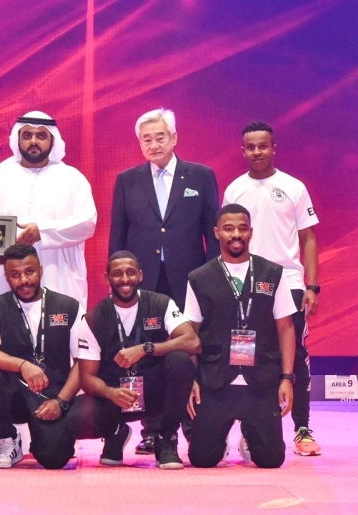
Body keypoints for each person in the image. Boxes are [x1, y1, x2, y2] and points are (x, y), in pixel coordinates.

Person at [108, 107, 218, 454]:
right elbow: (118, 237)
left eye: (160, 137)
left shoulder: (200, 176)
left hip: (189, 280)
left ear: (174, 138)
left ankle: (194, 423)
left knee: (192, 350)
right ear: (139, 144)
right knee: (147, 352)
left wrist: (213, 280)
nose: (154, 145)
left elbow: (212, 233)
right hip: (144, 284)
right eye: (146, 140)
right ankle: (152, 428)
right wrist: (118, 283)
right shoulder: (127, 180)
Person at [223, 121, 321, 457]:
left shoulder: (294, 187)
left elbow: (308, 238)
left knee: (296, 356)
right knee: (247, 356)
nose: (257, 152)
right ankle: (250, 431)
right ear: (243, 150)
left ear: (274, 148)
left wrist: (311, 286)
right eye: (250, 147)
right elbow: (228, 239)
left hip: (288, 283)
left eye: (263, 146)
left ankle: (302, 429)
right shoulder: (234, 190)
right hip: (246, 284)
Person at [185, 204, 296, 469]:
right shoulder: (199, 278)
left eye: (242, 228)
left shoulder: (272, 273)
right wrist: (192, 379)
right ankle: (220, 439)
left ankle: (250, 434)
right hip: (216, 381)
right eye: (229, 229)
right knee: (202, 459)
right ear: (217, 233)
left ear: (251, 232)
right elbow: (191, 333)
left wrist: (287, 379)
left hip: (261, 380)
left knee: (271, 460)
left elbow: (286, 328)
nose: (236, 234)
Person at [0, 244, 93, 469]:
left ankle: (43, 440)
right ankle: (7, 439)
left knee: (54, 459)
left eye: (29, 272)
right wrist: (23, 365)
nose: (24, 280)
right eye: (15, 275)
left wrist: (61, 401)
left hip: (51, 396)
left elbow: (82, 361)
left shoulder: (69, 307)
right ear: (6, 277)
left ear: (41, 270)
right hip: (13, 395)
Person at [76, 251, 199, 469]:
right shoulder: (93, 318)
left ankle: (166, 438)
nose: (125, 279)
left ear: (140, 275)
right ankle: (115, 432)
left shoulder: (161, 303)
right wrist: (110, 393)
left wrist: (146, 348)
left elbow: (193, 341)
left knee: (180, 361)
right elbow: (86, 378)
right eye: (117, 274)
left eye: (131, 272)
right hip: (115, 397)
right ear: (106, 278)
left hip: (154, 393)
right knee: (70, 421)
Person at [0, 111, 97, 308]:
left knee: (60, 319)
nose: (34, 141)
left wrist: (42, 232)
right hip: (4, 280)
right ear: (17, 139)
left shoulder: (72, 178)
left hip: (60, 278)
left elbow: (87, 223)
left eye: (41, 136)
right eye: (27, 135)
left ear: (53, 141)